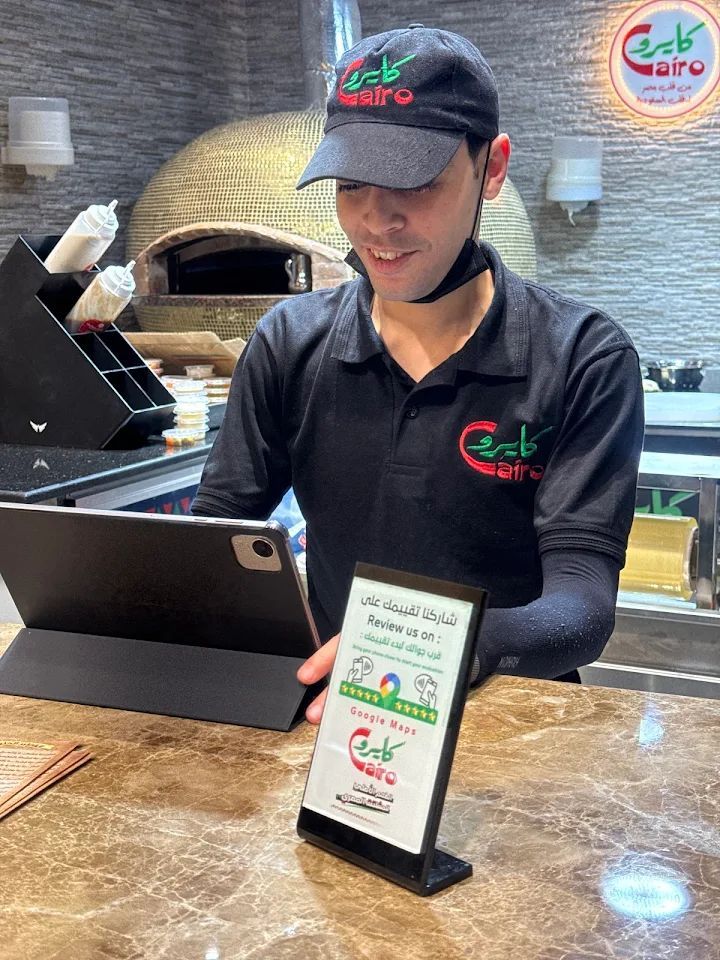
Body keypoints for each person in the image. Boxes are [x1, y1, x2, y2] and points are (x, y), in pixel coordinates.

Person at [192, 24, 644, 722]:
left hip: (517, 725)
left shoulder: (583, 357)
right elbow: (217, 537)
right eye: (351, 184)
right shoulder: (289, 342)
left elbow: (581, 608)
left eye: (417, 181)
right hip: (344, 715)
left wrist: (436, 649)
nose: (377, 221)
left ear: (492, 168)